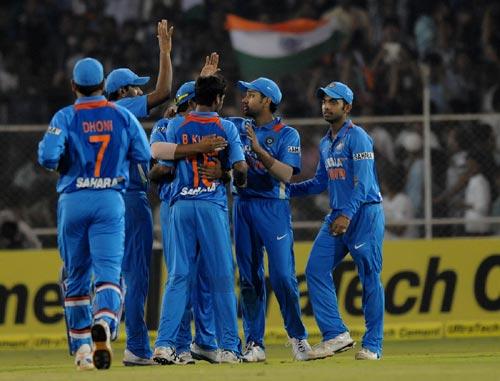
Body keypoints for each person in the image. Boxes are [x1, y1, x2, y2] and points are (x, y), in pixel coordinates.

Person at [37, 57, 150, 370]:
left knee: (75, 277)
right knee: (109, 274)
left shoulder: (66, 116)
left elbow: (47, 156)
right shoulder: (122, 116)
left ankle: (83, 349)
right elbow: (143, 155)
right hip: (110, 200)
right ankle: (104, 321)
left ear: (74, 86)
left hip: (73, 200)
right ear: (102, 85)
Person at [152, 74, 247, 365]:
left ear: (194, 98)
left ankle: (165, 346)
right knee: (221, 277)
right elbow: (241, 169)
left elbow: (162, 166)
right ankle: (230, 348)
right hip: (210, 204)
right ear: (218, 99)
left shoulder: (175, 125)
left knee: (179, 276)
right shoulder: (225, 127)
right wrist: (230, 176)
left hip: (180, 205)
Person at [290, 81, 384, 360]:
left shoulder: (359, 137)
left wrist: (346, 214)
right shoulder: (326, 141)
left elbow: (364, 184)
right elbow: (321, 181)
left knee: (369, 278)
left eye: (333, 101)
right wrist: (286, 191)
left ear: (347, 106)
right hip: (338, 215)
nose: (326, 106)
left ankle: (373, 345)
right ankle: (336, 334)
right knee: (315, 269)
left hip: (364, 214)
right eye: (324, 101)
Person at [104, 19, 173, 366]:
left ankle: (99, 319)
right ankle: (137, 348)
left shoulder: (97, 118)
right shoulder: (121, 108)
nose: (138, 93)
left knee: (111, 270)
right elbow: (162, 93)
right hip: (131, 200)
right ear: (121, 92)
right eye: (134, 88)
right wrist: (164, 53)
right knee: (136, 274)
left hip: (106, 198)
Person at [229, 77, 311, 362]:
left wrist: (258, 149)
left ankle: (298, 339)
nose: (244, 99)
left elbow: (287, 175)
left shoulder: (287, 134)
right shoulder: (236, 127)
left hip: (273, 207)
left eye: (251, 95)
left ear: (267, 100)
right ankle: (254, 344)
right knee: (249, 279)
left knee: (283, 278)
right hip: (242, 206)